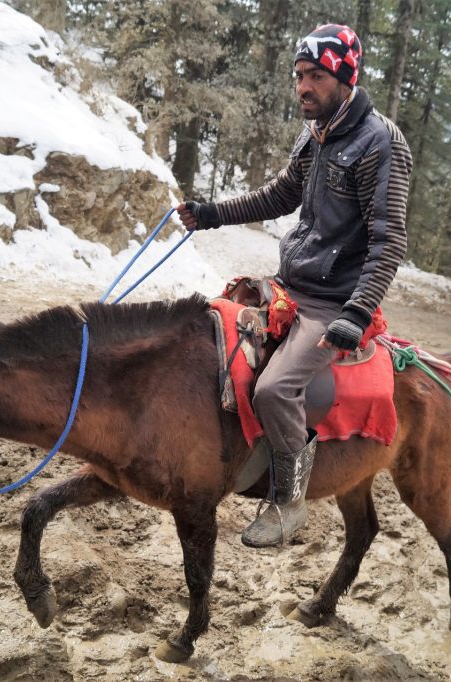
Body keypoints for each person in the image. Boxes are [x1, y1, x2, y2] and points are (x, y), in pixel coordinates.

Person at [176, 23, 412, 548]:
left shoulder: (380, 142)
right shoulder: (316, 132)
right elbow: (281, 195)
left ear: (344, 77)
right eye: (298, 75)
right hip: (289, 283)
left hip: (334, 303)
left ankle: (288, 500)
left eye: (314, 76)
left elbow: (388, 240)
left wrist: (357, 312)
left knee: (275, 387)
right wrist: (212, 214)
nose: (302, 87)